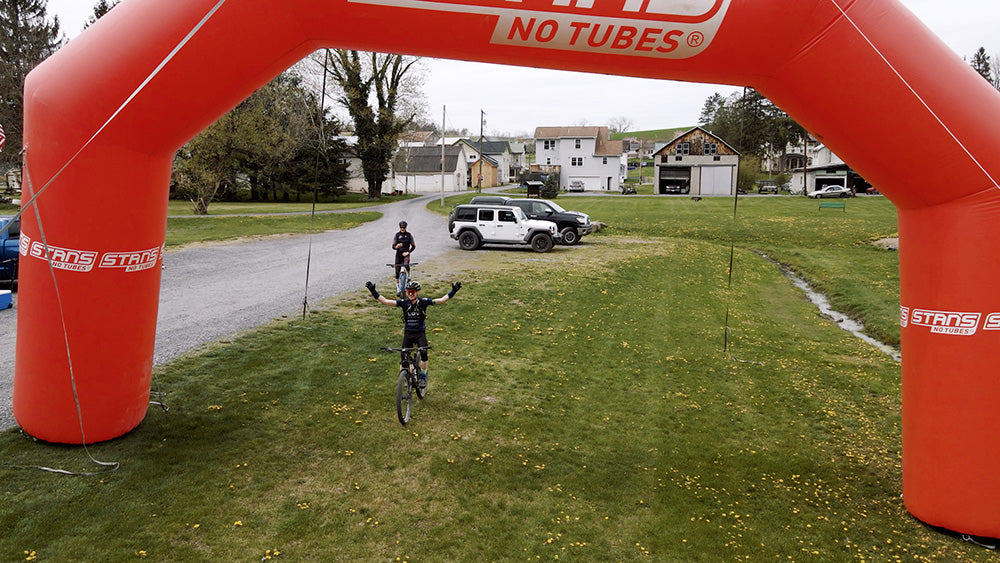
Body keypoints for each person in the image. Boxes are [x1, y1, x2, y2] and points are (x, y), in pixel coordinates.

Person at [365, 279, 462, 390]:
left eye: (413, 292)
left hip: (420, 333)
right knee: (403, 356)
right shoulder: (404, 303)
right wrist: (373, 291)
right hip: (408, 333)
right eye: (408, 292)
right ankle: (406, 377)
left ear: (418, 292)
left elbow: (441, 300)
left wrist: (453, 291)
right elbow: (386, 302)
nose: (411, 294)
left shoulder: (424, 302)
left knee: (424, 352)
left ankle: (423, 376)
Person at [391, 220, 415, 287]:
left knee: (406, 265)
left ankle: (409, 274)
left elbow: (413, 246)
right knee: (397, 271)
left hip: (406, 254)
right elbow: (393, 246)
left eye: (404, 227)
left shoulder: (409, 235)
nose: (402, 229)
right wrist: (396, 247)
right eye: (401, 227)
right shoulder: (397, 235)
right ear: (399, 227)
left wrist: (408, 252)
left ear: (406, 227)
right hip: (398, 255)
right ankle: (398, 287)